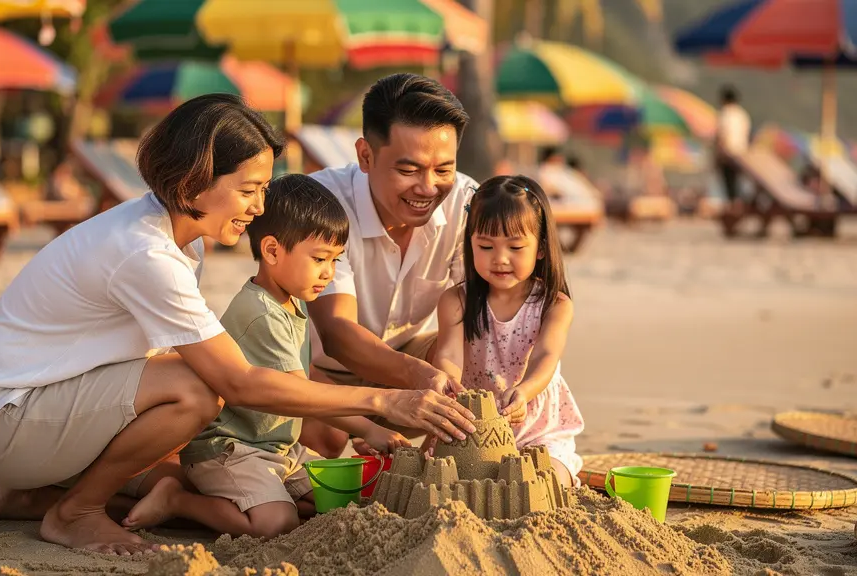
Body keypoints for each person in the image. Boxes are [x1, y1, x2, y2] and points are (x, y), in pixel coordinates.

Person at [0, 94, 475, 555]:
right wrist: (381, 402)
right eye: (248, 189)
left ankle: (32, 495)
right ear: (194, 181)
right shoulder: (146, 253)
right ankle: (74, 512)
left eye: (264, 189)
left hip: (39, 409)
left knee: (182, 463)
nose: (259, 206)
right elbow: (235, 382)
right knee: (197, 392)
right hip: (1, 422)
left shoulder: (175, 237)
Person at [120, 174, 412, 538]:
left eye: (336, 260)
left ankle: (243, 500)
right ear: (272, 251)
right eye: (319, 259)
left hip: (278, 448)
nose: (328, 273)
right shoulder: (261, 313)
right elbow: (303, 396)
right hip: (231, 449)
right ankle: (177, 501)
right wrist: (369, 426)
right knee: (277, 523)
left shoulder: (290, 303)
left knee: (336, 501)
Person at [301, 73, 484, 458]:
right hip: (322, 376)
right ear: (365, 156)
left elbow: (490, 312)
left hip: (413, 366)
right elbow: (336, 332)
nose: (428, 188)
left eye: (443, 170)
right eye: (409, 170)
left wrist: (444, 388)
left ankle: (444, 448)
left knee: (484, 343)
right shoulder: (321, 202)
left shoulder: (468, 203)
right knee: (325, 440)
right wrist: (421, 378)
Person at [430, 175, 584, 487]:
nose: (500, 259)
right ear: (470, 244)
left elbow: (546, 355)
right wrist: (451, 388)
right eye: (485, 246)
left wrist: (525, 391)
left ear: (540, 249)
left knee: (546, 481)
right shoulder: (456, 300)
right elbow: (448, 355)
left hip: (536, 429)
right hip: (473, 426)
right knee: (443, 480)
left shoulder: (553, 304)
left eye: (515, 247)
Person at [715, 85, 751, 207]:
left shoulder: (725, 114)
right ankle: (739, 203)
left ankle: (733, 205)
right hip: (742, 153)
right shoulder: (742, 114)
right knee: (738, 181)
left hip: (728, 153)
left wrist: (719, 155)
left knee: (730, 182)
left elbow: (723, 135)